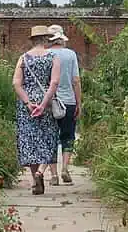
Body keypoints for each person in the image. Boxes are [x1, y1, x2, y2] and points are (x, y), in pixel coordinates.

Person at [12, 25, 62, 195]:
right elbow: (54, 82)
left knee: (31, 139)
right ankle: (41, 172)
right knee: (48, 137)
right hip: (46, 101)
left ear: (32, 40)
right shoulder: (53, 57)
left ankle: (35, 180)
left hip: (27, 102)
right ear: (46, 39)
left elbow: (16, 84)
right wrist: (43, 103)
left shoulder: (23, 58)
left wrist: (28, 103)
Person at [44, 24, 81, 186]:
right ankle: (65, 168)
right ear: (61, 38)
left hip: (50, 102)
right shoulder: (71, 54)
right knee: (68, 136)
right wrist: (79, 102)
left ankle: (53, 175)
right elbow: (76, 80)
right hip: (69, 101)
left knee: (50, 138)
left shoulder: (46, 54)